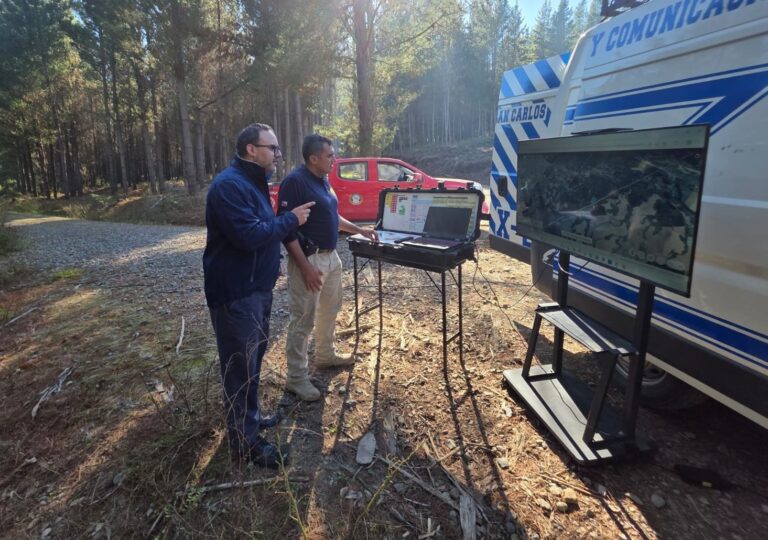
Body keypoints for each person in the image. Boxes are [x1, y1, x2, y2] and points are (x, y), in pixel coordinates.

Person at [203, 123, 314, 467]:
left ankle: (249, 422)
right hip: (236, 295)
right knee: (239, 368)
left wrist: (272, 264)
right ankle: (244, 444)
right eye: (273, 148)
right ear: (252, 149)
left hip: (256, 290)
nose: (279, 155)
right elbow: (250, 236)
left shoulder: (252, 184)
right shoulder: (229, 186)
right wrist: (291, 219)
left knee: (251, 362)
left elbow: (260, 239)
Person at [278, 134, 377, 401]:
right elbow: (286, 230)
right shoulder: (295, 182)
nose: (334, 159)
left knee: (329, 309)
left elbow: (332, 217)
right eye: (330, 155)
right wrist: (305, 267)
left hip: (331, 257)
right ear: (313, 158)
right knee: (303, 318)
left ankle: (325, 355)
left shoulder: (323, 180)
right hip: (309, 260)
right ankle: (296, 378)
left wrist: (360, 230)